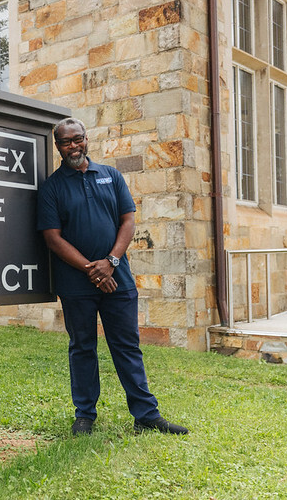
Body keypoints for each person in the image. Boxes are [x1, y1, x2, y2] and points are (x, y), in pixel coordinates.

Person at [36, 117, 188, 436]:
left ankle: (146, 414)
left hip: (118, 279)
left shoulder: (111, 175)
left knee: (127, 345)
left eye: (78, 139)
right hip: (76, 284)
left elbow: (128, 221)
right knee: (82, 346)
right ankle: (85, 416)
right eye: (66, 142)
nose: (73, 146)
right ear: (58, 146)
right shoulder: (51, 188)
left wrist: (111, 261)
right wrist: (93, 270)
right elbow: (52, 238)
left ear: (87, 139)